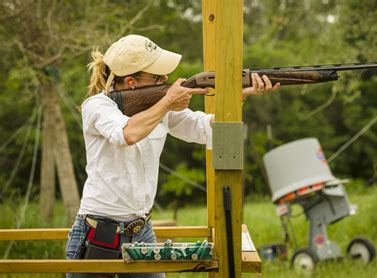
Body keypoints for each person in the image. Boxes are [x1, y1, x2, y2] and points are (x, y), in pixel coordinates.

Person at [65, 34, 279, 278]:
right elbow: (128, 133)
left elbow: (207, 130)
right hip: (98, 232)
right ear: (132, 82)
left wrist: (238, 96)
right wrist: (167, 101)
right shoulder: (97, 106)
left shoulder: (159, 108)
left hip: (141, 229)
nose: (166, 79)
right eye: (157, 76)